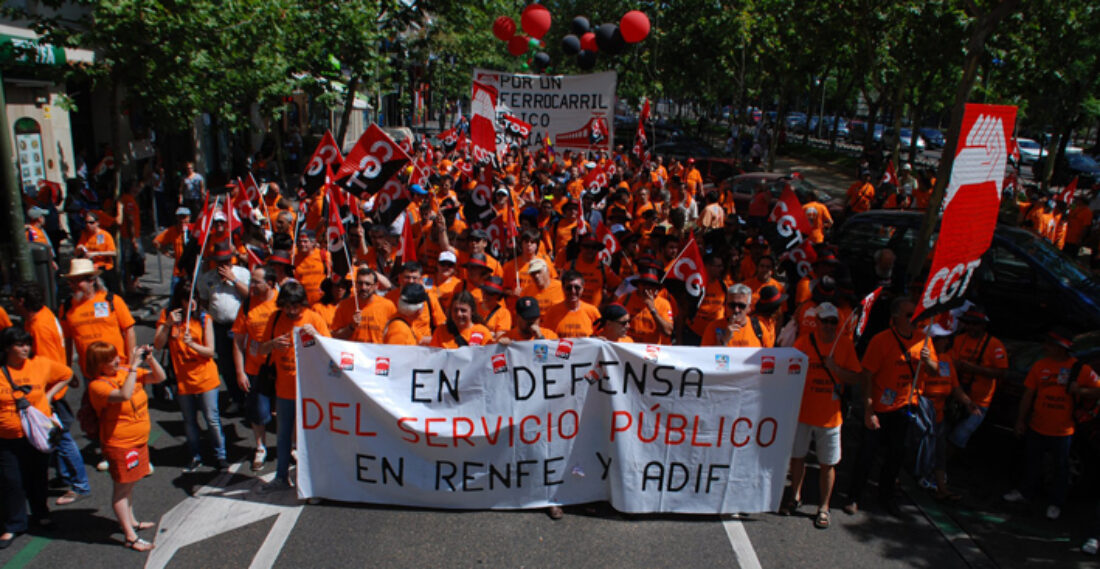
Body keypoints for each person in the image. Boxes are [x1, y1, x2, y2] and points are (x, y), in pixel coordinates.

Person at [844, 297, 938, 517]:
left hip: (906, 407)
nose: (914, 320)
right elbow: (868, 375)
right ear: (895, 317)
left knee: (896, 456)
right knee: (867, 454)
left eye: (916, 315)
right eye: (908, 315)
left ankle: (886, 497)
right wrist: (868, 408)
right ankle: (854, 496)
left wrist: (928, 361)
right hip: (880, 408)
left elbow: (934, 371)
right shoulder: (881, 341)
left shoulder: (923, 341)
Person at [1004, 327, 1100, 520]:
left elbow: (1098, 391)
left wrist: (1080, 391)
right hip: (1037, 425)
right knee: (1032, 462)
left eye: (1050, 344)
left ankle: (1056, 503)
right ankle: (1025, 492)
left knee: (1061, 468)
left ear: (1061, 348)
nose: (1046, 347)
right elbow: (1028, 395)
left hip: (1064, 430)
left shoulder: (1080, 370)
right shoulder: (1040, 366)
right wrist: (1021, 420)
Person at [783, 303, 862, 528]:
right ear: (816, 322)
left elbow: (856, 377)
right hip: (803, 412)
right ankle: (794, 497)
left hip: (830, 417)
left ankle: (823, 507)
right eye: (824, 321)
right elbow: (791, 369)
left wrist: (836, 369)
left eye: (832, 322)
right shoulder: (803, 343)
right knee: (797, 457)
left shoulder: (844, 345)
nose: (828, 326)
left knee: (827, 463)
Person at [12, 282, 89, 505]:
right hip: (54, 390)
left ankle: (79, 484)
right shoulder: (42, 316)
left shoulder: (38, 327)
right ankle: (66, 477)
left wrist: (43, 396)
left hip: (50, 394)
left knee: (62, 438)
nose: (13, 304)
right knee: (57, 438)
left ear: (23, 301)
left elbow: (44, 365)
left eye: (15, 300)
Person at [85, 340, 166, 552]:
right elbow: (124, 394)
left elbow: (159, 377)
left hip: (138, 441)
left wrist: (149, 359)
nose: (116, 360)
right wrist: (131, 367)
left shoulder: (124, 371)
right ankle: (130, 536)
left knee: (131, 483)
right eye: (109, 359)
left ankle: (132, 521)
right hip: (120, 444)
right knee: (121, 489)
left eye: (115, 356)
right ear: (98, 365)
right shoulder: (97, 386)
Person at [0, 327, 72, 549]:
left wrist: (49, 397)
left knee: (38, 477)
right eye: (20, 345)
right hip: (7, 438)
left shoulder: (40, 364)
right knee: (11, 481)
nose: (25, 349)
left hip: (36, 436)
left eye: (27, 344)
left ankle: (41, 514)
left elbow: (67, 374)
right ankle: (14, 524)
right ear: (6, 348)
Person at [256, 281, 330, 492]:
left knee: (310, 437)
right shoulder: (275, 318)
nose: (291, 311)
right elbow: (260, 349)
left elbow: (331, 349)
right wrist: (272, 344)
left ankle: (312, 479)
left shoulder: (314, 318)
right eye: (287, 306)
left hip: (310, 390)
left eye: (295, 306)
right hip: (284, 390)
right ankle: (281, 477)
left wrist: (316, 335)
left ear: (303, 304)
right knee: (283, 435)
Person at [154, 280, 227, 471]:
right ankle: (195, 455)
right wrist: (167, 326)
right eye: (187, 299)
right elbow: (158, 345)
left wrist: (192, 344)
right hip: (183, 379)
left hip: (205, 378)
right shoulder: (167, 317)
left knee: (211, 418)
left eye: (194, 297)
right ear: (179, 300)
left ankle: (221, 455)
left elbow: (210, 351)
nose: (192, 302)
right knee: (189, 420)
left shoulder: (204, 318)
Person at [231, 266, 279, 471]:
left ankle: (293, 446)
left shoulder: (282, 302)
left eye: (256, 282)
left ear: (269, 283)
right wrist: (240, 372)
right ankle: (260, 446)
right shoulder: (247, 305)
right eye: (251, 281)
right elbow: (238, 341)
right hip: (255, 369)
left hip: (282, 369)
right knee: (258, 412)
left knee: (287, 412)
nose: (251, 286)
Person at [196, 240, 251, 415]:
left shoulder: (242, 274)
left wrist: (233, 280)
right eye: (220, 262)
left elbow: (249, 297)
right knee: (226, 365)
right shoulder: (207, 278)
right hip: (219, 326)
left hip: (240, 326)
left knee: (246, 363)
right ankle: (236, 399)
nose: (223, 266)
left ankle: (250, 398)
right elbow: (204, 301)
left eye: (226, 262)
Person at [947, 307, 1008, 451]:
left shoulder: (995, 345)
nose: (970, 327)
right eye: (968, 323)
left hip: (979, 401)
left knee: (958, 436)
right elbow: (947, 363)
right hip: (955, 396)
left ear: (983, 325)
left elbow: (1001, 372)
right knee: (944, 433)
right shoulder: (957, 340)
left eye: (974, 324)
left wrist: (975, 369)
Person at [331, 267, 396, 343]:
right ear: (355, 284)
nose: (363, 287)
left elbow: (394, 334)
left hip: (377, 353)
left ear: (376, 286)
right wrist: (351, 327)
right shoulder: (344, 305)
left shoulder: (388, 306)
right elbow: (334, 337)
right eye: (360, 283)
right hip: (353, 353)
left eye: (367, 284)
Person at [616, 270, 674, 344]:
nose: (647, 288)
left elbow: (667, 332)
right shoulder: (624, 299)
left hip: (649, 351)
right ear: (638, 285)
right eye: (644, 284)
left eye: (651, 285)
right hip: (628, 347)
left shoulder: (663, 304)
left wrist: (653, 309)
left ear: (656, 288)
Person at [701, 284, 767, 347]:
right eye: (732, 305)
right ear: (726, 305)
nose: (736, 310)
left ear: (749, 307)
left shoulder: (759, 328)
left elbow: (770, 355)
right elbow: (706, 356)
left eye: (741, 306)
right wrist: (725, 339)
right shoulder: (713, 328)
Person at [543, 270, 601, 338]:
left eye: (577, 288)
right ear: (563, 288)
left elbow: (601, 337)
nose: (573, 291)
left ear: (583, 288)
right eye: (569, 288)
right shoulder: (552, 312)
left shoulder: (592, 312)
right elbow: (546, 339)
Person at [75, 212, 119, 294]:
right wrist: (79, 248)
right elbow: (76, 253)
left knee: (105, 290)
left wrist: (96, 253)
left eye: (91, 222)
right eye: (86, 222)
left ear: (97, 223)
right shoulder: (85, 234)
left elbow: (113, 252)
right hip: (90, 267)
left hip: (103, 266)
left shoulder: (105, 235)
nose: (88, 225)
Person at [429, 292, 494, 348]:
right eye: (455, 310)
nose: (459, 314)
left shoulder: (482, 332)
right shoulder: (440, 332)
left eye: (463, 310)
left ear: (472, 311)